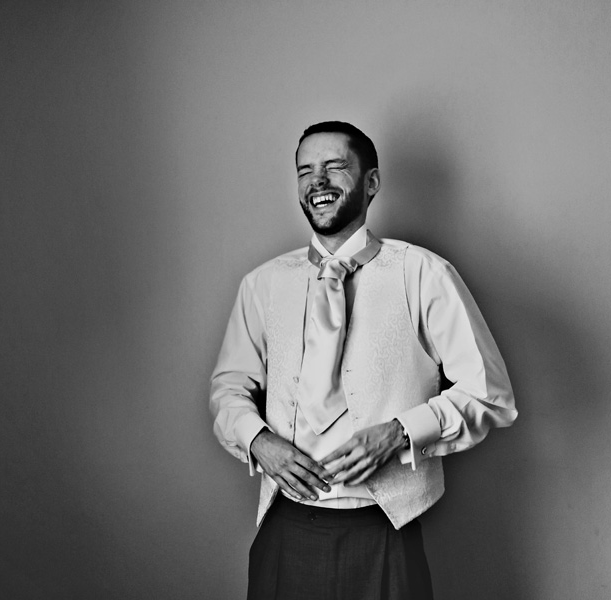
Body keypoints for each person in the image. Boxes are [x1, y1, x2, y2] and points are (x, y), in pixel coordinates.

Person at [210, 121, 517, 599]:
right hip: (286, 526)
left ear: (371, 183)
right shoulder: (263, 285)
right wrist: (258, 441)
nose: (318, 181)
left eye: (335, 167)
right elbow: (228, 390)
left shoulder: (424, 274)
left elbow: (490, 395)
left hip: (384, 528)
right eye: (305, 171)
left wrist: (399, 433)